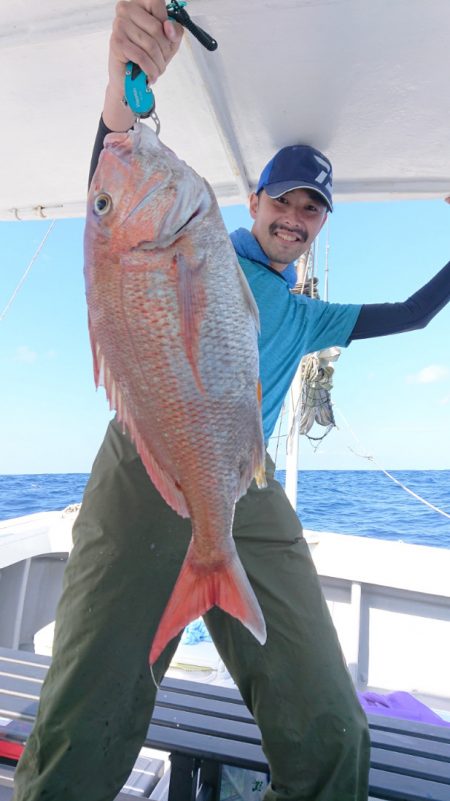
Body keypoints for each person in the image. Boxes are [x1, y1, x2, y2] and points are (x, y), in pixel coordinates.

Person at [13, 2, 450, 800]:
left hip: (244, 487)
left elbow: (415, 313)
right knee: (86, 723)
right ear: (253, 202)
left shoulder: (311, 311)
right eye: (281, 199)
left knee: (334, 728)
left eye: (310, 207)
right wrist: (123, 89)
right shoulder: (196, 242)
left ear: (320, 225)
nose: (294, 217)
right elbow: (114, 200)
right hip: (146, 468)